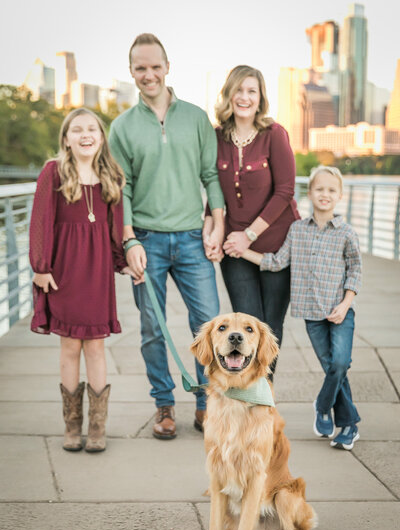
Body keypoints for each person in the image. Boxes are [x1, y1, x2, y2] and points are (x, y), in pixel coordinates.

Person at [109, 33, 225, 440]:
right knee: (152, 329)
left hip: (193, 239)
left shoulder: (195, 118)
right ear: (131, 72)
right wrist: (129, 241)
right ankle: (163, 404)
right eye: (140, 68)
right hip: (147, 241)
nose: (149, 74)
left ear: (168, 67)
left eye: (155, 66)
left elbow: (210, 176)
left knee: (208, 326)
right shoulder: (121, 127)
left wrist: (218, 222)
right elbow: (120, 188)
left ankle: (206, 404)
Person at [29, 108, 133, 453]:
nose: (85, 134)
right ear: (67, 139)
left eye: (92, 129)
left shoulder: (111, 177)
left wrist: (123, 261)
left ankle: (97, 427)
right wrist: (41, 266)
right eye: (77, 130)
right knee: (70, 346)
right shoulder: (53, 173)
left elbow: (115, 226)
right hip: (64, 272)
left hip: (97, 272)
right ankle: (72, 426)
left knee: (96, 346)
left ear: (101, 138)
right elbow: (41, 222)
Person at [242, 165, 362, 450]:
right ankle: (349, 426)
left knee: (340, 363)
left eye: (331, 190)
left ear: (340, 196)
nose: (325, 195)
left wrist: (346, 305)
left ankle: (323, 406)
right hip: (312, 314)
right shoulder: (297, 230)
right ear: (309, 193)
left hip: (340, 312)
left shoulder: (346, 233)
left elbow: (356, 271)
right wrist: (242, 250)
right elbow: (276, 262)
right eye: (319, 189)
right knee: (333, 368)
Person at [204, 65, 300, 376]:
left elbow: (285, 190)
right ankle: (248, 397)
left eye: (252, 91)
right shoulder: (216, 137)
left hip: (275, 246)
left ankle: (263, 398)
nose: (244, 97)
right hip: (234, 249)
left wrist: (250, 235)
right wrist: (213, 231)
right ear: (229, 94)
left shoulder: (274, 134)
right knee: (246, 327)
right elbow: (212, 187)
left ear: (260, 99)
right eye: (239, 90)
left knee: (269, 328)